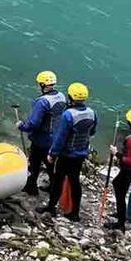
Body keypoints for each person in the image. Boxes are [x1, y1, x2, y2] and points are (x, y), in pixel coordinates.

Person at [44, 82, 97, 220]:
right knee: (75, 182)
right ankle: (75, 212)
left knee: (58, 181)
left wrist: (52, 153)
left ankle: (51, 208)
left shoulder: (68, 115)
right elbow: (92, 132)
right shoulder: (92, 113)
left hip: (66, 154)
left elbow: (60, 138)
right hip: (80, 154)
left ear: (70, 97)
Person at [17, 71, 67, 196]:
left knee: (34, 164)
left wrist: (21, 126)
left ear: (42, 85)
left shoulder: (42, 102)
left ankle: (31, 187)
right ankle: (53, 188)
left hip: (41, 139)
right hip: (55, 137)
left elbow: (33, 123)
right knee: (51, 165)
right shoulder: (61, 96)